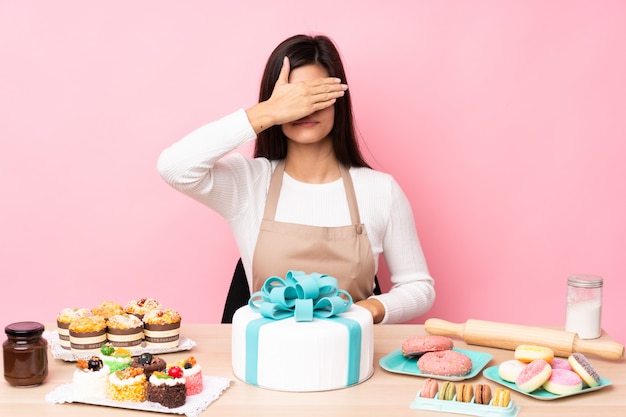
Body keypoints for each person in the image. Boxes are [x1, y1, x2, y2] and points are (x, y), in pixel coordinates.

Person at [157, 34, 435, 323]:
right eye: (294, 99)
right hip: (263, 362)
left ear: (339, 100)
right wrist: (268, 111)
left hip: (351, 359)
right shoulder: (249, 184)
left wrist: (367, 311)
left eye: (316, 96)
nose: (306, 109)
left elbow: (418, 288)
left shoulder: (380, 190)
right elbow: (174, 166)